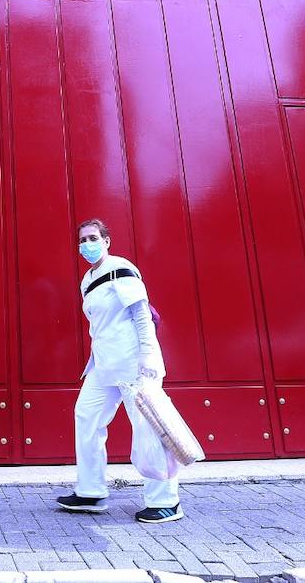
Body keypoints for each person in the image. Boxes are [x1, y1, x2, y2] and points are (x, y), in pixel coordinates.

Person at [55, 218, 183, 523]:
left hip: (132, 361)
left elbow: (141, 314)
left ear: (107, 240)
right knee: (86, 415)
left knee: (149, 426)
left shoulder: (120, 268)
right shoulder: (87, 280)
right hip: (103, 364)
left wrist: (149, 356)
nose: (87, 244)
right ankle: (91, 491)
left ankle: (166, 501)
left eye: (93, 238)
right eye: (82, 240)